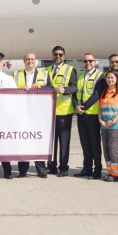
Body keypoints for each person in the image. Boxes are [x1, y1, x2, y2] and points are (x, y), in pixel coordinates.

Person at [14, 52, 49, 178]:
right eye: (27, 59)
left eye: (32, 59)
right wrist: (19, 90)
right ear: (24, 61)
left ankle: (41, 170)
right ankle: (22, 171)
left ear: (36, 61)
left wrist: (41, 86)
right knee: (23, 141)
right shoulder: (16, 74)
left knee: (38, 140)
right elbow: (11, 91)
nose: (30, 61)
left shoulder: (44, 74)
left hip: (38, 113)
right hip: (22, 113)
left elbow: (51, 88)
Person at [45, 46, 78, 177]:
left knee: (64, 141)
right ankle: (51, 166)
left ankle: (63, 167)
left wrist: (65, 89)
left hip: (64, 110)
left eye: (60, 54)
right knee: (51, 141)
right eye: (55, 54)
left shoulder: (70, 69)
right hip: (49, 111)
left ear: (64, 56)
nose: (58, 56)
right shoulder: (47, 70)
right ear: (52, 55)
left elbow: (74, 87)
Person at [74, 54, 104, 179]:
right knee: (85, 144)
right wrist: (76, 106)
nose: (88, 63)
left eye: (90, 61)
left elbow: (96, 95)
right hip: (81, 115)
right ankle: (86, 168)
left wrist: (83, 107)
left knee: (94, 144)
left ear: (95, 62)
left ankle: (97, 170)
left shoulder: (100, 76)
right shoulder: (80, 75)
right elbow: (75, 94)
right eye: (85, 61)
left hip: (92, 116)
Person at [97, 71, 118, 181]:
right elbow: (100, 108)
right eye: (108, 78)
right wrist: (100, 120)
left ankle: (117, 174)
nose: (110, 80)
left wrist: (114, 120)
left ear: (116, 79)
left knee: (114, 149)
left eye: (112, 78)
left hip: (116, 126)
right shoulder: (104, 92)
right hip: (105, 126)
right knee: (106, 149)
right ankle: (111, 172)